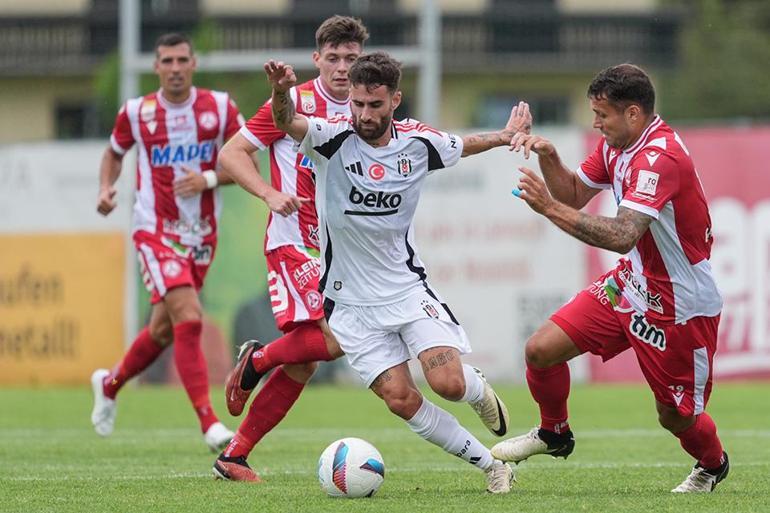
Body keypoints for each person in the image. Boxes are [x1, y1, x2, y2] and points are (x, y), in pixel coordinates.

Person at [258, 51, 533, 494]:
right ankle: (492, 467)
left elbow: (462, 145)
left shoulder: (418, 143)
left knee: (447, 383)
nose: (365, 115)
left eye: (375, 105)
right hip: (348, 305)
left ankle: (477, 390)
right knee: (401, 400)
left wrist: (506, 136)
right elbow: (288, 122)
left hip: (406, 290)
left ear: (395, 101)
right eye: (359, 104)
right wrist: (277, 93)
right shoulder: (332, 138)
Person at [492, 63, 729, 493]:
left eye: (602, 115)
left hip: (677, 306)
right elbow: (574, 194)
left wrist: (548, 209)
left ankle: (712, 464)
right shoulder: (616, 146)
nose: (595, 123)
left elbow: (622, 235)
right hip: (629, 284)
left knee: (674, 416)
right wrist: (549, 158)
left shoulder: (661, 158)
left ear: (633, 114)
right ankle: (554, 433)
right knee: (540, 350)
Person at [210, 16, 368, 482]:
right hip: (294, 240)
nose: (342, 67)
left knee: (304, 363)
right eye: (334, 58)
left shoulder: (366, 109)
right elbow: (231, 153)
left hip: (340, 250)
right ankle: (256, 361)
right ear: (317, 59)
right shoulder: (294, 102)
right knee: (338, 339)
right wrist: (267, 193)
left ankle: (233, 456)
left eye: (351, 58)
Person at [90, 32, 244, 452]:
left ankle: (109, 383)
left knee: (161, 330)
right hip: (154, 230)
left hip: (202, 236)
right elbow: (114, 152)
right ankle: (209, 424)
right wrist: (106, 188)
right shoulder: (136, 112)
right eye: (167, 61)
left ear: (193, 63)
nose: (175, 68)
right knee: (189, 317)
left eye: (181, 60)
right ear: (156, 67)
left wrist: (209, 178)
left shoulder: (220, 107)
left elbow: (245, 158)